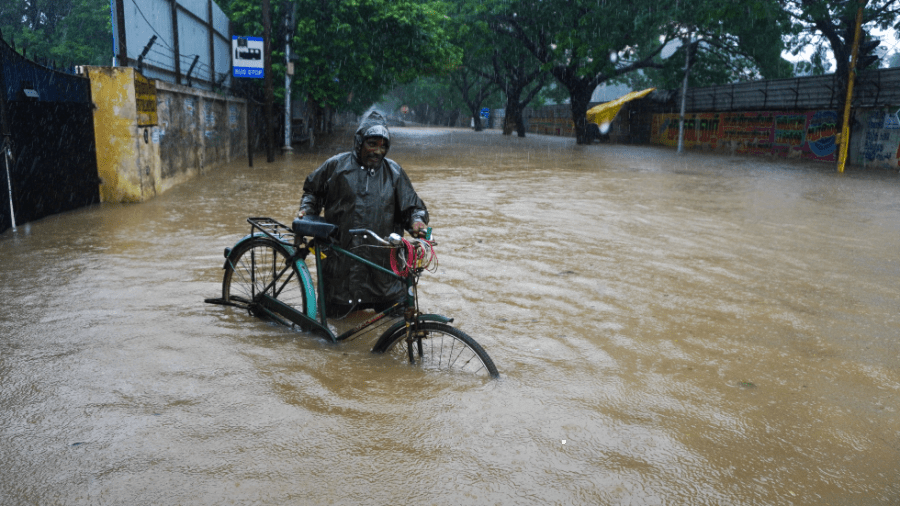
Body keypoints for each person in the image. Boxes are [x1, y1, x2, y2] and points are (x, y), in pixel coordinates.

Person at [297, 111, 428, 315]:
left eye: (383, 146)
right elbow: (313, 192)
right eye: (372, 144)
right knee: (333, 333)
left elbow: (412, 208)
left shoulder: (394, 173)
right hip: (341, 271)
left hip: (384, 274)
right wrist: (307, 210)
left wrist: (417, 222)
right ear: (359, 142)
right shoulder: (336, 166)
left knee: (397, 328)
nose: (377, 151)